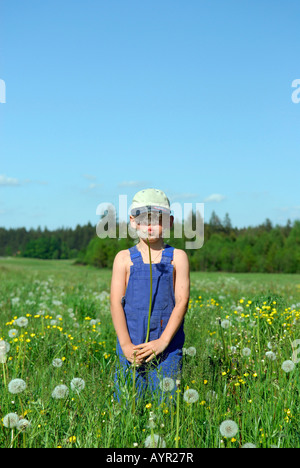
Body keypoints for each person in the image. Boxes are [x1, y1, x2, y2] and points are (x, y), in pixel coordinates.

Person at [110, 188, 190, 402]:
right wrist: (126, 345)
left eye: (158, 219)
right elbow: (116, 303)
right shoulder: (123, 258)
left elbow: (182, 301)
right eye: (143, 219)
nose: (150, 225)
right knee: (129, 405)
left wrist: (163, 342)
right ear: (132, 222)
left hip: (167, 347)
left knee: (166, 405)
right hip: (132, 346)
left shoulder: (178, 258)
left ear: (170, 222)